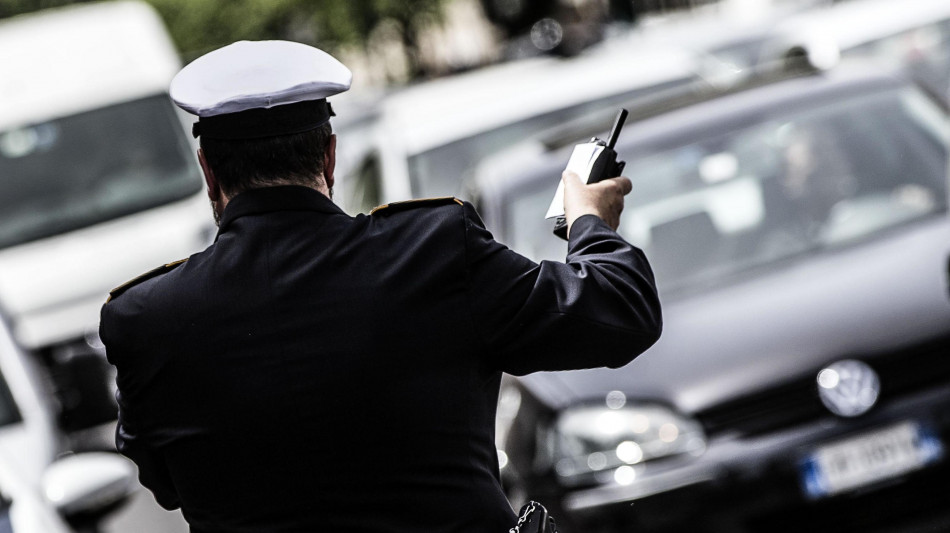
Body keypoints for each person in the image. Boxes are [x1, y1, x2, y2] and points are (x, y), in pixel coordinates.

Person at [100, 40, 662, 533]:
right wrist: (588, 220)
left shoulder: (145, 319)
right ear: (329, 156)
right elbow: (620, 311)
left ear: (209, 173)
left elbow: (167, 482)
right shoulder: (433, 250)